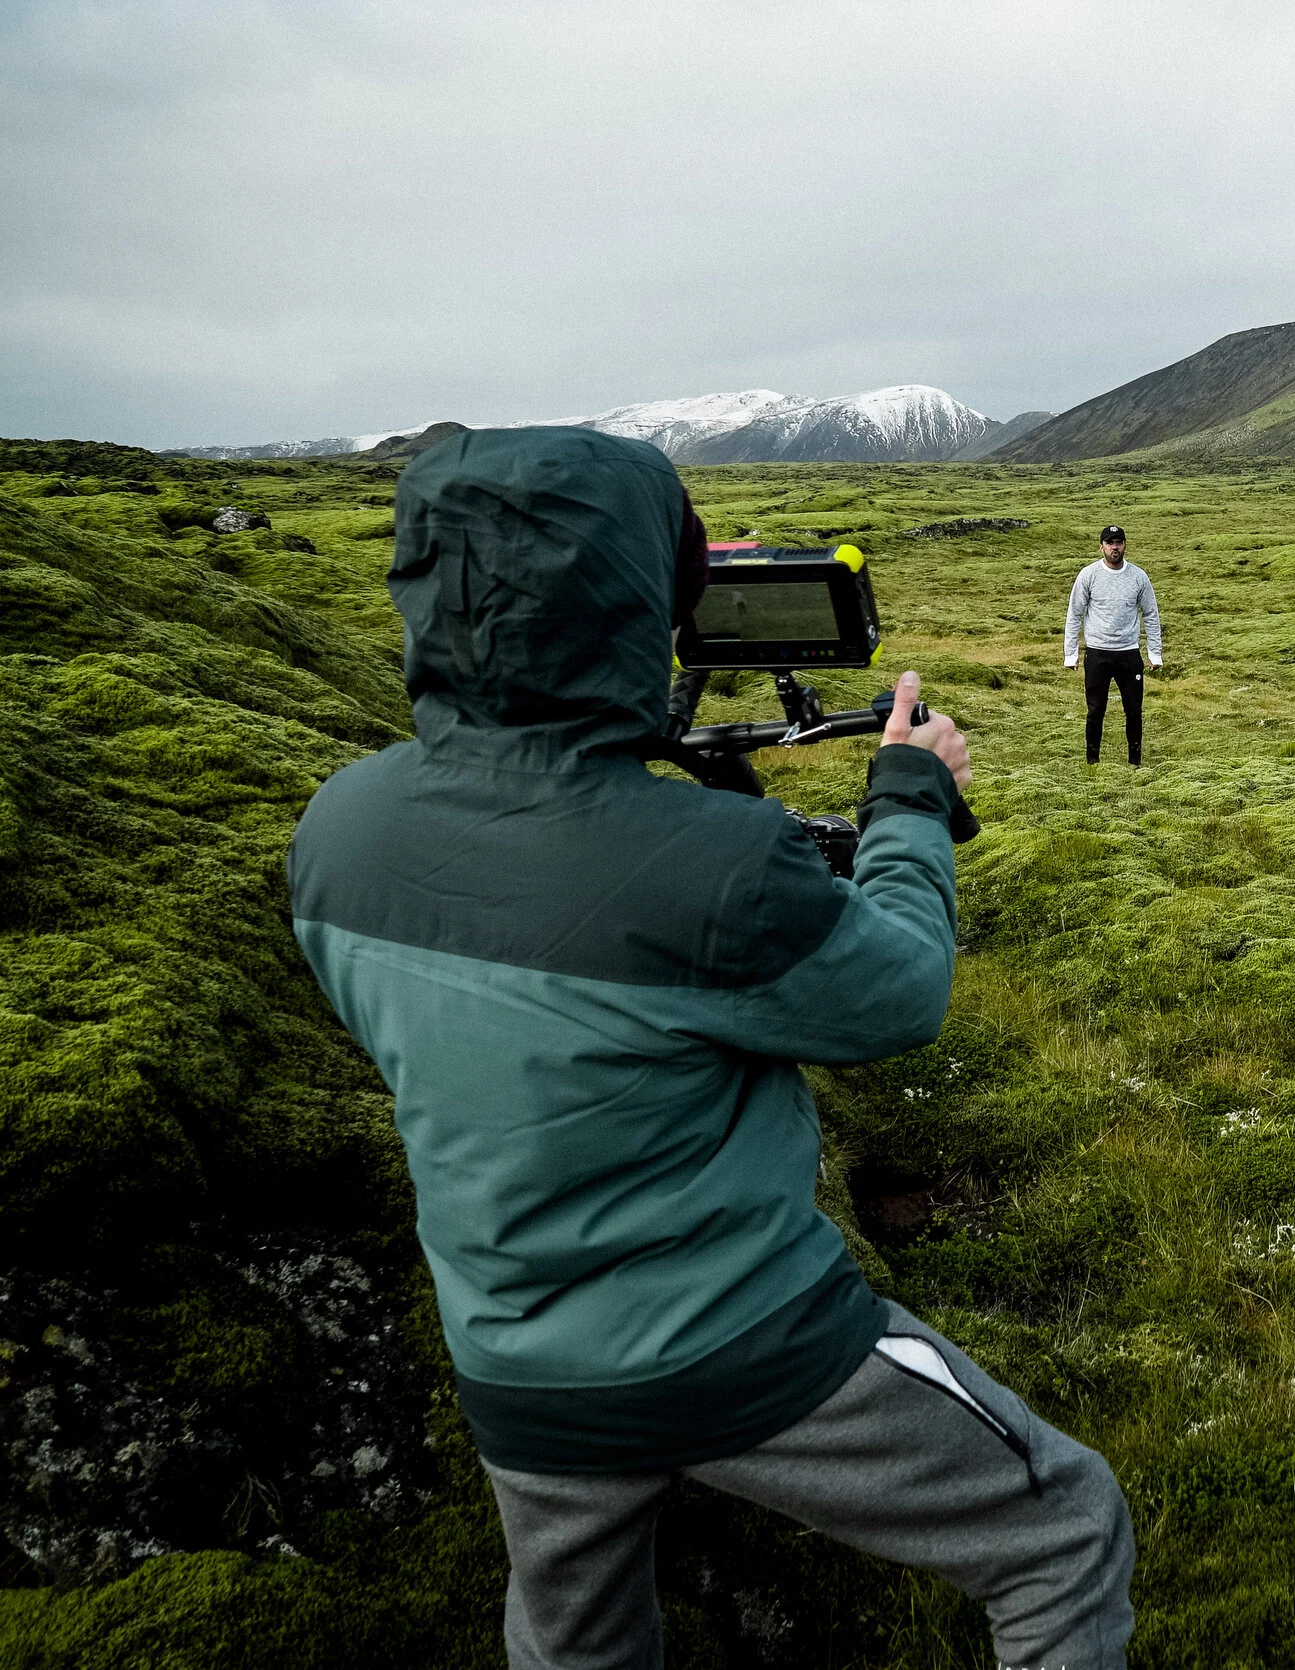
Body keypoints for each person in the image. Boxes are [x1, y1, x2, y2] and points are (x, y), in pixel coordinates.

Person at [287, 427, 1133, 1670]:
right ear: (646, 606)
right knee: (1064, 1525)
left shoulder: (337, 828)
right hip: (746, 1346)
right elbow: (896, 996)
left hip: (512, 1357)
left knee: (577, 1646)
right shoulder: (711, 866)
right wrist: (905, 801)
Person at [1061, 525, 1162, 766]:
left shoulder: (1139, 577)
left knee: (1134, 711)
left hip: (1129, 653)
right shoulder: (1088, 575)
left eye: (1118, 542)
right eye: (1109, 543)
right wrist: (1070, 654)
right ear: (1101, 547)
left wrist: (1154, 653)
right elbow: (1074, 614)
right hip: (1097, 654)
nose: (1114, 547)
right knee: (1095, 711)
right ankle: (1092, 762)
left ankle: (1134, 762)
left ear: (1125, 545)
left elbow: (1151, 614)